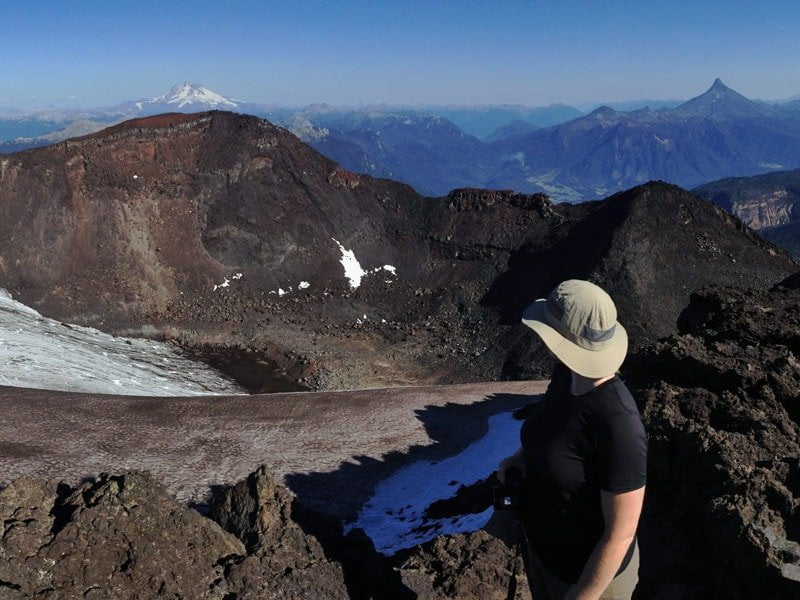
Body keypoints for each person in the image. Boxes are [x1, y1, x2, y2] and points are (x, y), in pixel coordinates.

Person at [498, 279, 647, 600]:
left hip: (590, 581)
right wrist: (521, 457)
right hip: (546, 555)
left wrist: (582, 596)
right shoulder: (567, 375)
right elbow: (555, 431)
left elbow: (620, 535)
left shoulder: (619, 423)